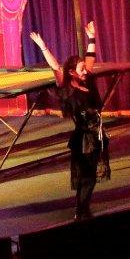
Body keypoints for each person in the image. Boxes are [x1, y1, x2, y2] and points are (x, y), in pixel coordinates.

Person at [29, 21, 111, 220]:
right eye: (81, 68)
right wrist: (43, 46)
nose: (86, 70)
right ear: (72, 72)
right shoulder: (67, 89)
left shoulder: (87, 81)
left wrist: (92, 37)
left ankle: (82, 209)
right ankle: (81, 211)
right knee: (87, 176)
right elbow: (56, 67)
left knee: (89, 176)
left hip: (96, 134)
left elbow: (90, 58)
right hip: (84, 138)